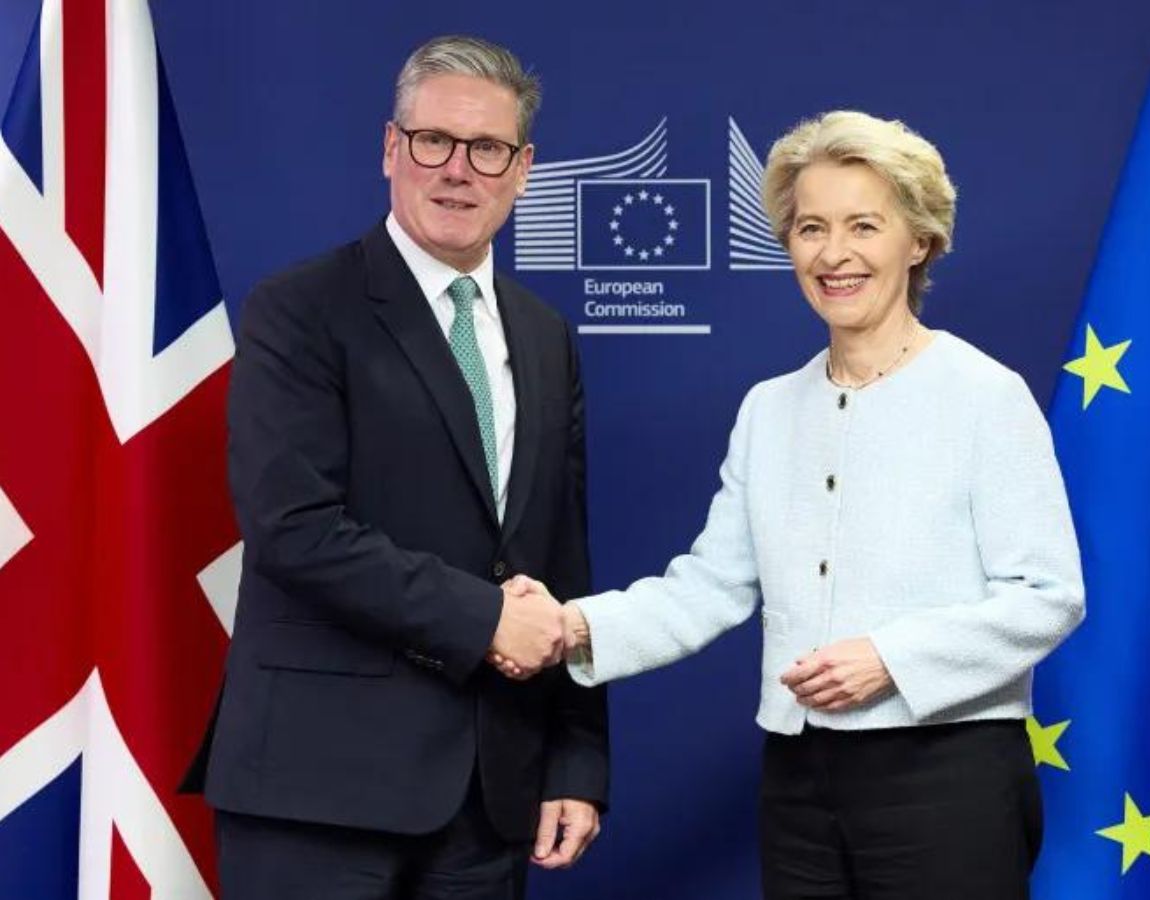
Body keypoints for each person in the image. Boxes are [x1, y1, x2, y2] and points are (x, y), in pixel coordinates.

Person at [500, 110, 1084, 899]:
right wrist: (571, 626)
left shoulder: (985, 396)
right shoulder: (769, 410)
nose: (833, 254)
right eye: (811, 228)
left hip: (949, 775)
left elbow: (1049, 598)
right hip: (798, 777)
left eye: (863, 226)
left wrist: (890, 658)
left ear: (919, 242)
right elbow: (709, 587)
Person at [185, 35, 608, 900]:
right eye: (433, 142)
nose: (457, 170)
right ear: (391, 149)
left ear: (522, 168)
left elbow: (560, 557)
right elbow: (293, 528)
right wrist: (487, 618)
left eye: (486, 149)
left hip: (490, 797)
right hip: (317, 790)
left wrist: (575, 755)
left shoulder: (544, 336)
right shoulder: (300, 310)